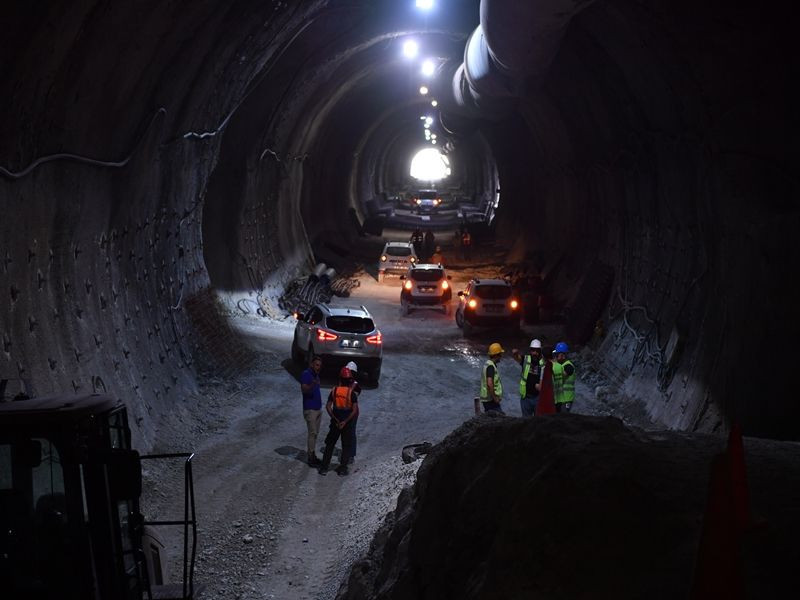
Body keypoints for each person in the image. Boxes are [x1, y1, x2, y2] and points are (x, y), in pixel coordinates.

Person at [318, 367, 359, 476]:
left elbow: (328, 406)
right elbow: (354, 410)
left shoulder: (334, 391)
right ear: (350, 380)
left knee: (330, 444)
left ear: (340, 379)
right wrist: (345, 421)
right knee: (346, 446)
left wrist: (335, 419)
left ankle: (324, 468)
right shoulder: (352, 393)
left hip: (335, 423)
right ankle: (342, 468)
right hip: (347, 423)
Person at [300, 356, 323, 467]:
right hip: (310, 409)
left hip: (317, 409)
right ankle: (310, 457)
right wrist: (312, 384)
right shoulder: (306, 374)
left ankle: (312, 455)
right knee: (312, 433)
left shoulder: (315, 375)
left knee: (315, 434)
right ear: (312, 364)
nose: (318, 367)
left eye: (320, 365)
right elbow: (304, 389)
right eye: (316, 365)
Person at [511, 339, 543, 416]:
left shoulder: (543, 362)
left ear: (540, 351)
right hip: (526, 398)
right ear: (530, 350)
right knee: (526, 421)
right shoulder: (526, 359)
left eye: (537, 350)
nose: (535, 353)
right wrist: (515, 354)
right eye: (533, 350)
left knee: (538, 421)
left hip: (538, 398)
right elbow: (517, 358)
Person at [479, 343, 505, 414]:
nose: (501, 356)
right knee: (500, 418)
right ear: (496, 355)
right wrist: (495, 398)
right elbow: (489, 383)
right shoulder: (491, 366)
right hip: (490, 400)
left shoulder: (487, 364)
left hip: (487, 399)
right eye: (500, 354)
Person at [345, 360, 362, 465]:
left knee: (351, 433)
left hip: (351, 412)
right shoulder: (347, 383)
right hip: (346, 411)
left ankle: (351, 454)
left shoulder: (355, 385)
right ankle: (348, 453)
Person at [552, 342, 576, 412]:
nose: (555, 357)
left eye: (557, 355)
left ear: (563, 355)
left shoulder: (568, 366)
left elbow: (558, 377)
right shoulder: (560, 365)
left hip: (566, 399)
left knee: (563, 419)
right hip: (560, 399)